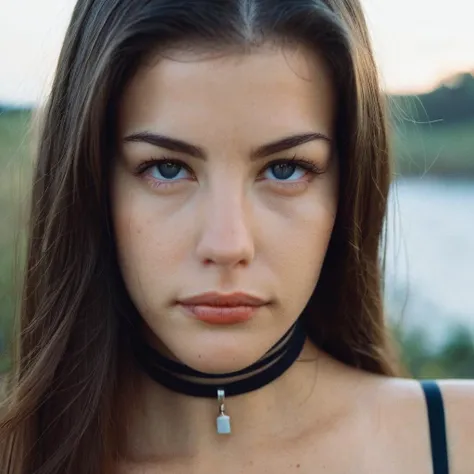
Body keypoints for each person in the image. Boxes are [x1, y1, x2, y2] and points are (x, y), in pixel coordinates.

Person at [0, 0, 473, 472]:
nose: (228, 246)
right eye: (167, 168)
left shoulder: (457, 441)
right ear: (91, 184)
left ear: (347, 190)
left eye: (285, 169)